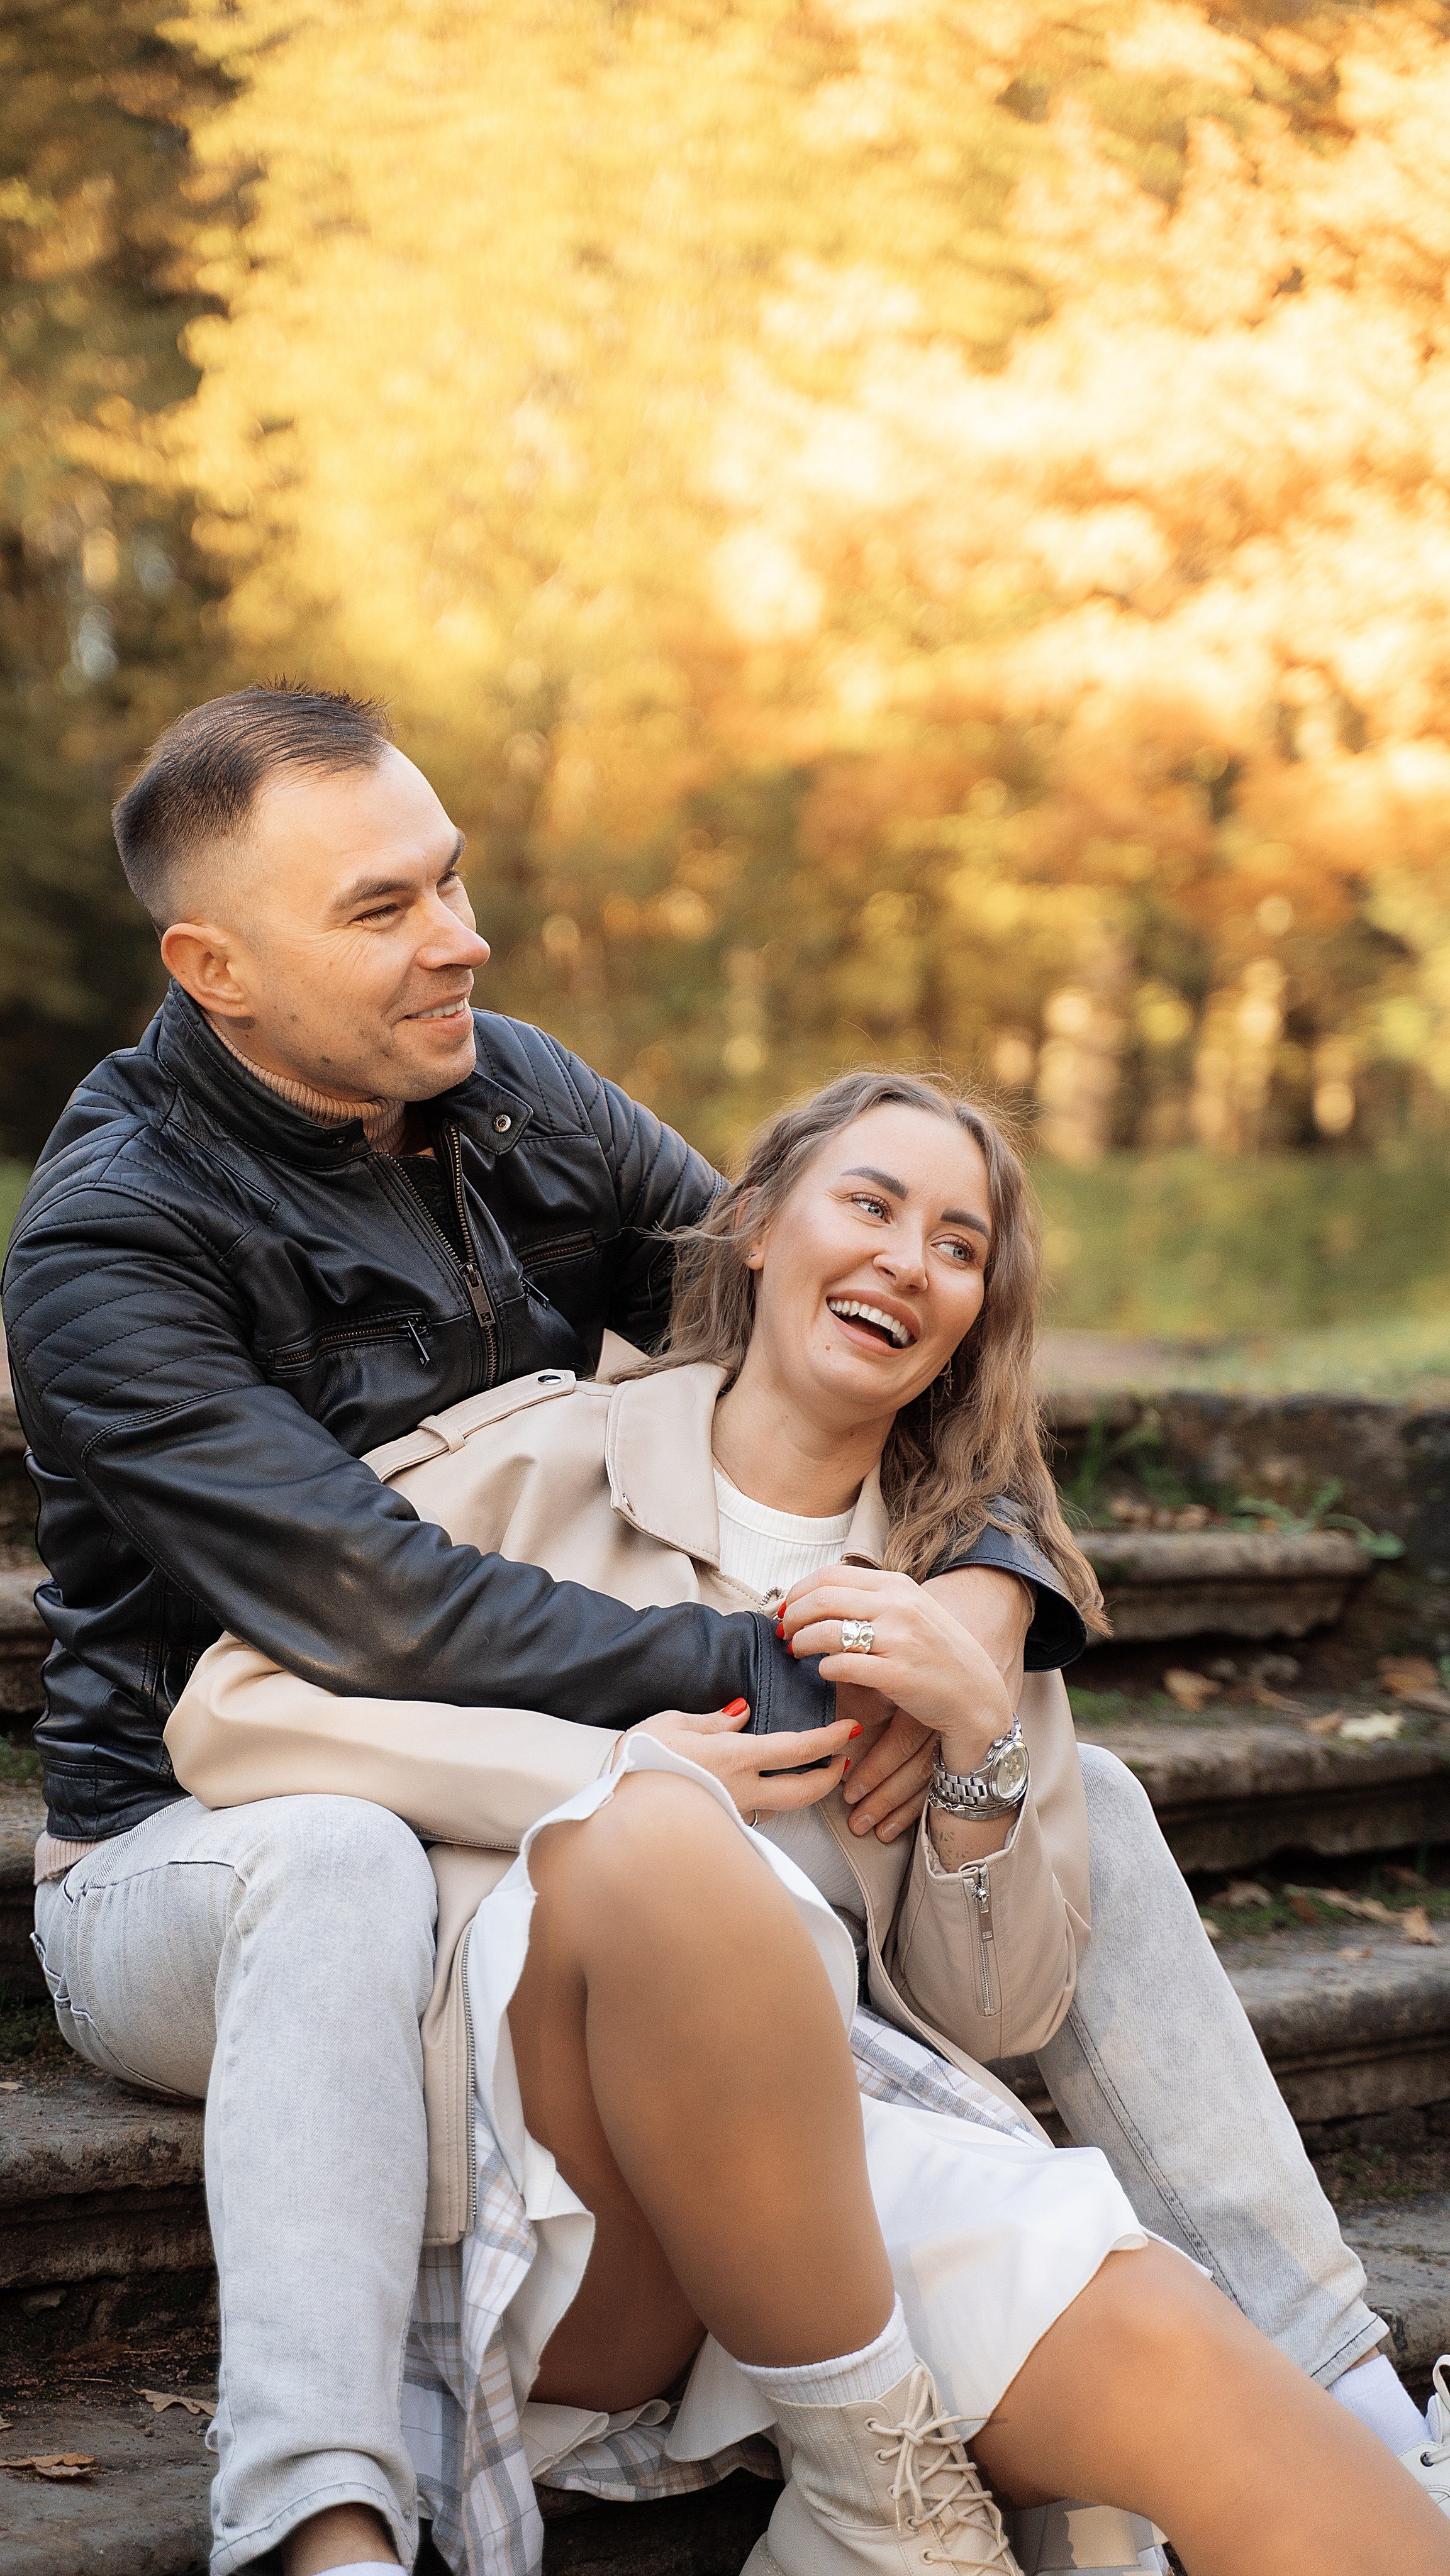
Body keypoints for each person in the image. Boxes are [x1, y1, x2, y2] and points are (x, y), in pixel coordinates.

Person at [5, 685, 1425, 2576]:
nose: (458, 940)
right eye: (380, 911)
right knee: (342, 1858)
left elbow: (836, 1306)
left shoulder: (504, 1087)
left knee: (1099, 1817)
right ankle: (321, 2517)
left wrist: (971, 1614)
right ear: (214, 965)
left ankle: (1347, 2397)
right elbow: (369, 1598)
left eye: (450, 880)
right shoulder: (115, 1239)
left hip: (545, 1803)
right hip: (217, 1823)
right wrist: (785, 1667)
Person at [162, 1072, 1450, 2576]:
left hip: (841, 2155)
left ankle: (1344, 2431)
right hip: (567, 2174)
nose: (910, 1259)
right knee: (659, 1838)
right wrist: (607, 1774)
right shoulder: (534, 1458)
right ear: (758, 1229)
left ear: (973, 1312)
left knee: (1259, 2438)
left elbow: (995, 2006)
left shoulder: (955, 1593)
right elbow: (230, 1711)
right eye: (872, 1204)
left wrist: (976, 1744)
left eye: (958, 1245)